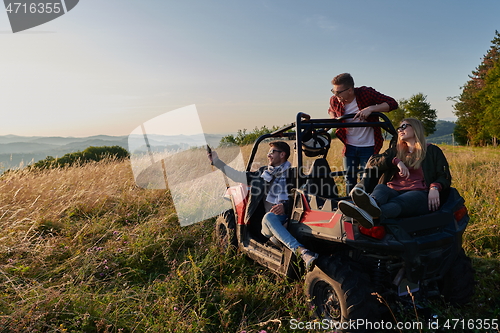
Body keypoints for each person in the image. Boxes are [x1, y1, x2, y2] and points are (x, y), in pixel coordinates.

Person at [208, 141, 319, 270]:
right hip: (266, 224)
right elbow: (238, 176)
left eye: (272, 152)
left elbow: (304, 196)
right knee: (269, 218)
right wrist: (217, 161)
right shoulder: (263, 174)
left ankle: (288, 241)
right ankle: (302, 252)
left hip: (290, 218)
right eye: (268, 152)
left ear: (282, 154)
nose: (268, 155)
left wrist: (286, 206)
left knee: (277, 218)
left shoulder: (293, 175)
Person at [337, 118, 452, 228]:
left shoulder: (432, 151)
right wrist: (396, 161)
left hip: (418, 193)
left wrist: (434, 187)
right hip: (393, 190)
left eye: (404, 126)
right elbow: (372, 162)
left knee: (398, 202)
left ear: (416, 128)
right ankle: (368, 207)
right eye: (399, 128)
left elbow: (444, 175)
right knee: (381, 188)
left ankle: (370, 217)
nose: (400, 130)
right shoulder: (396, 151)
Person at [328, 73, 399, 194]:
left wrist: (371, 108)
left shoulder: (366, 93)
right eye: (333, 91)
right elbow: (331, 110)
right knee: (349, 178)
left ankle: (365, 207)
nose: (335, 95)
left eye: (338, 92)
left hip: (369, 146)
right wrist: (333, 117)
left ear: (350, 90)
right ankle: (349, 205)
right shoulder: (335, 100)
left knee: (366, 180)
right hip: (349, 146)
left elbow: (392, 103)